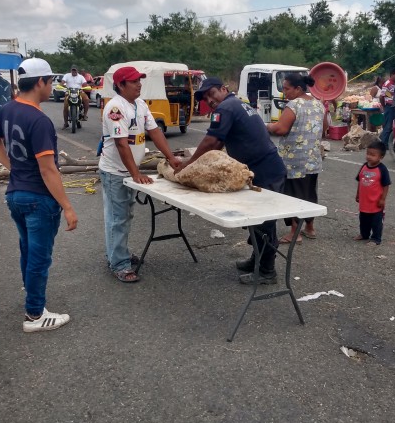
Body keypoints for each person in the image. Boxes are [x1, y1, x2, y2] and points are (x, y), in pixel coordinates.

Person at [0, 58, 77, 333]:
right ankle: (35, 314)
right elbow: (48, 170)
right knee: (39, 256)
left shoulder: (8, 109)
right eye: (50, 82)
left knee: (27, 246)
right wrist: (68, 207)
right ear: (40, 82)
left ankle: (30, 291)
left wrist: (13, 167)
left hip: (15, 194)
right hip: (38, 197)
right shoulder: (39, 120)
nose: (51, 87)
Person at [175, 77, 287, 285]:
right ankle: (257, 260)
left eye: (212, 93)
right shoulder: (238, 104)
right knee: (257, 220)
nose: (209, 100)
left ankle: (267, 271)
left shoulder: (225, 108)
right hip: (262, 169)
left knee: (264, 222)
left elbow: (212, 142)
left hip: (265, 171)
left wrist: (189, 164)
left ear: (224, 89)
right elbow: (217, 145)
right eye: (205, 97)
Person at [98, 66, 181, 283]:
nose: (139, 84)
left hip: (126, 171)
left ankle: (118, 253)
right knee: (118, 218)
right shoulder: (115, 108)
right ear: (121, 85)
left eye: (139, 80)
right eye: (134, 81)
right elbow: (121, 144)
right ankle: (119, 264)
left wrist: (171, 158)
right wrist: (135, 174)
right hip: (115, 171)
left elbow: (155, 132)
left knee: (124, 216)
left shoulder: (140, 105)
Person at [266, 73, 326, 243]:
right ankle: (310, 228)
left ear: (298, 88)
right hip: (313, 159)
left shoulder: (294, 105)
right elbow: (325, 127)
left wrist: (267, 126)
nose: (285, 93)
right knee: (309, 193)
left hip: (295, 160)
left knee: (294, 195)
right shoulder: (318, 104)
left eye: (286, 89)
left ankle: (295, 233)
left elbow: (281, 129)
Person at [355, 141, 391, 245]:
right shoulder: (364, 166)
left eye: (373, 155)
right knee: (363, 220)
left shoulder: (382, 169)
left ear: (381, 157)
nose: (369, 157)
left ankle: (376, 238)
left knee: (376, 222)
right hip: (364, 201)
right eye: (368, 153)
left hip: (375, 203)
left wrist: (383, 199)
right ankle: (364, 234)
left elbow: (386, 185)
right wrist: (357, 194)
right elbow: (360, 181)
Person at [379, 68, 395, 145]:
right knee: (388, 126)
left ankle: (386, 142)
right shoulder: (387, 84)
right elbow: (381, 97)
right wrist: (384, 106)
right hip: (389, 107)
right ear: (393, 74)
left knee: (392, 126)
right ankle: (384, 144)